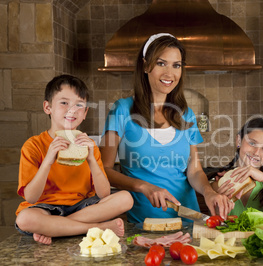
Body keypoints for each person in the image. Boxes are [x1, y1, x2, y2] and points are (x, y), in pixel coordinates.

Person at [100, 33, 232, 224]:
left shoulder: (185, 113)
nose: (170, 73)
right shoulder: (122, 110)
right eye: (161, 63)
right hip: (145, 223)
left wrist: (209, 192)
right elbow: (104, 170)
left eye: (176, 65)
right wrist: (144, 187)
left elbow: (194, 171)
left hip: (189, 219)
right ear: (146, 66)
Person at [15, 75, 134, 245]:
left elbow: (104, 194)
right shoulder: (33, 145)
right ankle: (95, 228)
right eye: (64, 103)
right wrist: (48, 160)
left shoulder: (90, 146)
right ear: (47, 107)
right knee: (25, 219)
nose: (72, 110)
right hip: (45, 208)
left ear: (85, 113)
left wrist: (92, 160)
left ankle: (57, 228)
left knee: (125, 198)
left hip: (82, 206)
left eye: (79, 105)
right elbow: (31, 197)